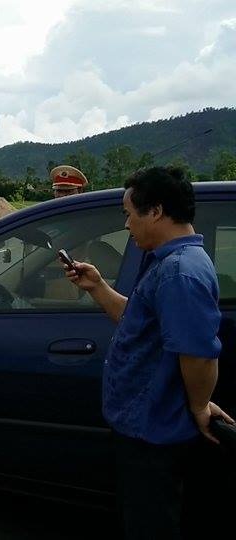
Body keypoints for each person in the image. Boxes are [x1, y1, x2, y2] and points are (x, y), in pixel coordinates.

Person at [64, 166, 234, 539]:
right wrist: (97, 286)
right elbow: (138, 320)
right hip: (141, 429)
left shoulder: (179, 273)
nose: (126, 225)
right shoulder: (169, 265)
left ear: (155, 211)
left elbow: (199, 355)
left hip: (153, 433)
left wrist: (200, 407)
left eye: (128, 213)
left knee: (151, 526)